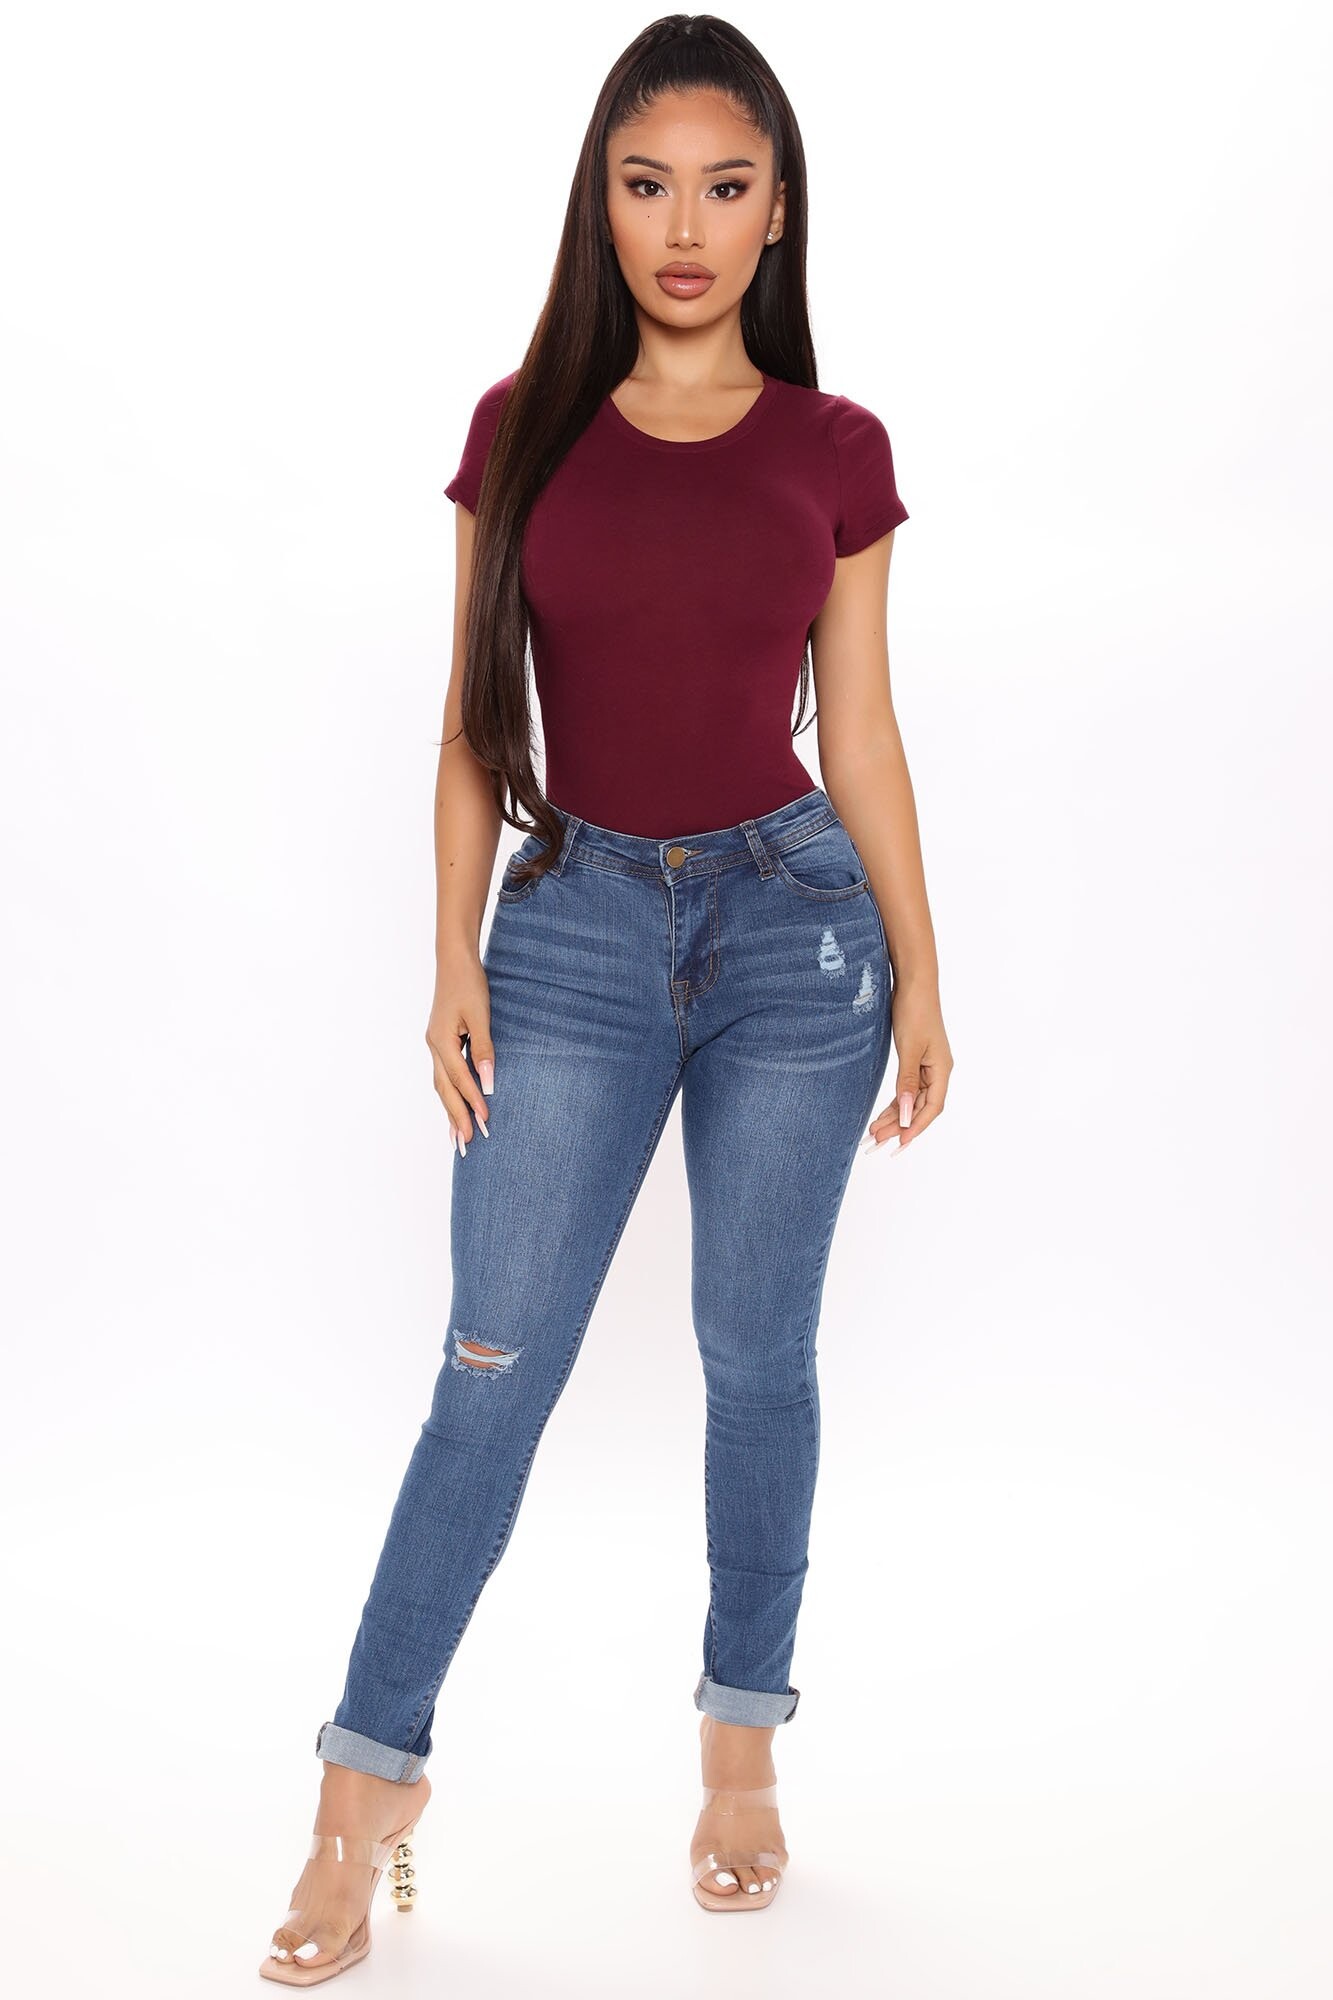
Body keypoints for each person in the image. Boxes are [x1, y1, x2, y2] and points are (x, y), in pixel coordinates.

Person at [261, 13, 953, 1982]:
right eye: (648, 186)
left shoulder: (833, 449)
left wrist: (923, 967)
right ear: (600, 201)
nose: (685, 227)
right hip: (566, 931)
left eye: (725, 188)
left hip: (793, 932)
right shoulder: (522, 429)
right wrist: (447, 955)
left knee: (756, 1354)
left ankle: (740, 1751)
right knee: (491, 1369)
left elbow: (860, 729)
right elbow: (472, 722)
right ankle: (360, 1797)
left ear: (777, 211)